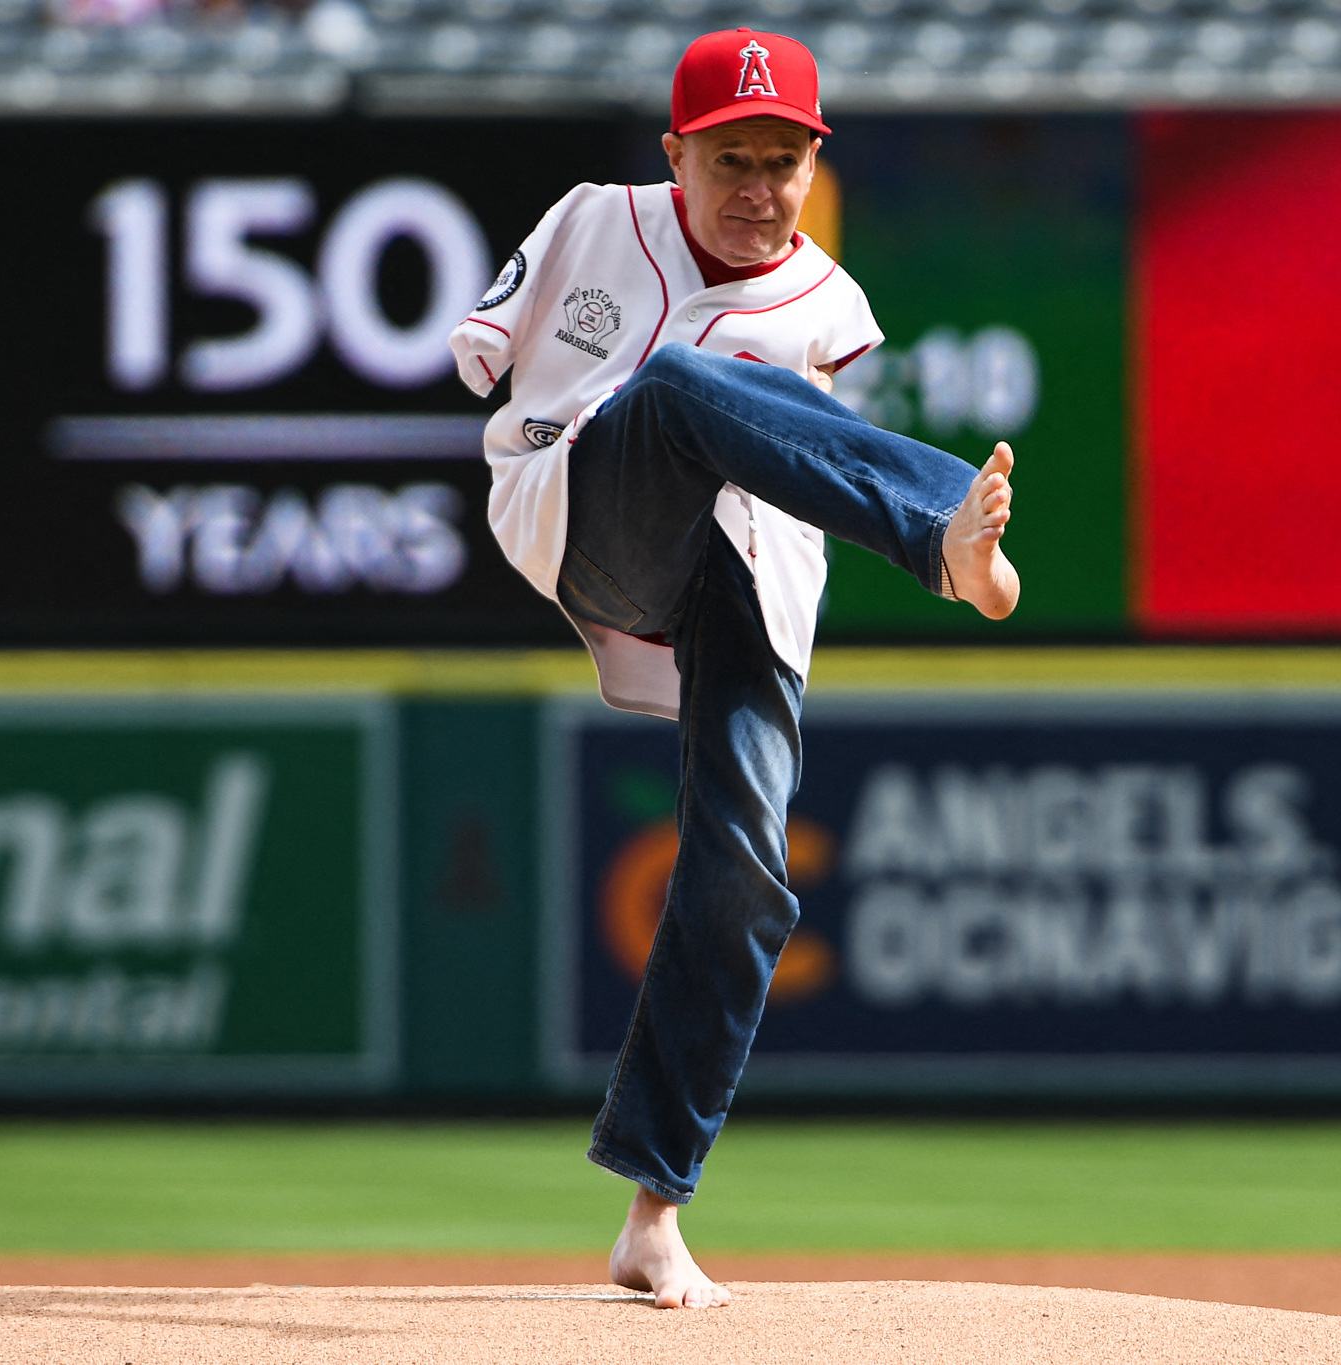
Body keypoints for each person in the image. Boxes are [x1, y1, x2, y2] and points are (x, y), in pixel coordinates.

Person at [447, 27, 1020, 1309]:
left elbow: (798, 440)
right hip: (590, 513)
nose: (759, 188)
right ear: (676, 154)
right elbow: (479, 352)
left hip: (748, 576)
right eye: (732, 159)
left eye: (784, 160)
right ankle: (940, 537)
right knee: (679, 387)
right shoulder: (595, 218)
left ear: (815, 161)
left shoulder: (827, 299)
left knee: (746, 873)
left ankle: (654, 1215)